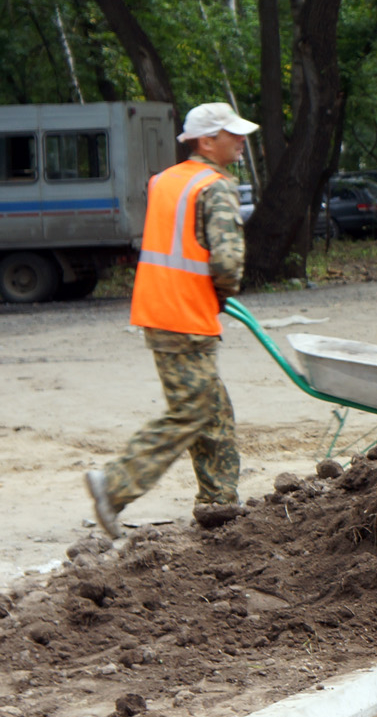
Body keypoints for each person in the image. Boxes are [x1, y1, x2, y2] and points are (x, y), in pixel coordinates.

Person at [86, 103, 256, 537]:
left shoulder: (166, 181)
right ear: (206, 141)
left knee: (213, 408)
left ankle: (219, 502)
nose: (240, 141)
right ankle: (114, 485)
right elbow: (227, 261)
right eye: (231, 134)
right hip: (187, 314)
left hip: (160, 310)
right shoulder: (215, 187)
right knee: (192, 410)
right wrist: (223, 293)